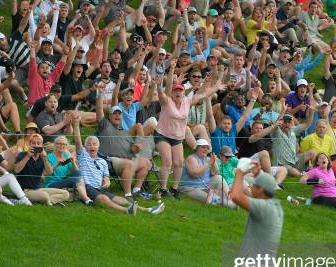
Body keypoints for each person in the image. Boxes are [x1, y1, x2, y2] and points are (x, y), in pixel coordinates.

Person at [154, 60, 224, 199]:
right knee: (167, 162)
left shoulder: (187, 102)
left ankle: (174, 190)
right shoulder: (166, 102)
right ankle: (163, 189)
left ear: (183, 93)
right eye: (176, 91)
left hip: (178, 137)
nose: (178, 92)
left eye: (180, 90)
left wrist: (217, 83)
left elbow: (204, 94)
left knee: (179, 162)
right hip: (162, 134)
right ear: (172, 94)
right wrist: (158, 84)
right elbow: (162, 93)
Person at [71, 112, 164, 215]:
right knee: (103, 198)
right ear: (85, 147)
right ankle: (126, 211)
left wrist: (107, 183)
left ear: (98, 147)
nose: (92, 146)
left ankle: (148, 210)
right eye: (89, 145)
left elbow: (106, 178)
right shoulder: (82, 155)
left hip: (99, 188)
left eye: (94, 144)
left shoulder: (102, 162)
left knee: (121, 199)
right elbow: (78, 141)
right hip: (86, 186)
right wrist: (76, 125)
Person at [13, 132, 70, 206]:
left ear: (41, 146)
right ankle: (49, 201)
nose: (36, 145)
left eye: (38, 143)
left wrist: (45, 159)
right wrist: (27, 156)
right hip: (25, 190)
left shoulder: (42, 157)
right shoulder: (23, 154)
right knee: (44, 195)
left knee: (66, 194)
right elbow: (16, 170)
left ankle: (50, 202)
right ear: (29, 144)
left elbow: (49, 172)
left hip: (38, 189)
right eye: (33, 143)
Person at [180, 139, 235, 208]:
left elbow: (215, 173)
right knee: (208, 198)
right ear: (197, 148)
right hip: (191, 187)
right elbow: (195, 174)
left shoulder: (208, 159)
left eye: (207, 148)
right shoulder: (191, 158)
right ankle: (228, 204)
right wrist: (208, 163)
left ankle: (228, 198)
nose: (206, 150)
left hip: (205, 186)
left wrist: (213, 162)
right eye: (203, 147)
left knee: (219, 178)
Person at [43, 135, 93, 206]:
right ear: (54, 145)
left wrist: (73, 162)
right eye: (59, 143)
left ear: (66, 146)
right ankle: (86, 198)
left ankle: (84, 197)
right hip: (51, 183)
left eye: (63, 144)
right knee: (75, 180)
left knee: (78, 174)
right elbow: (45, 174)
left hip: (63, 181)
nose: (61, 145)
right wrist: (57, 164)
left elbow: (77, 172)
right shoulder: (49, 157)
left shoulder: (66, 156)